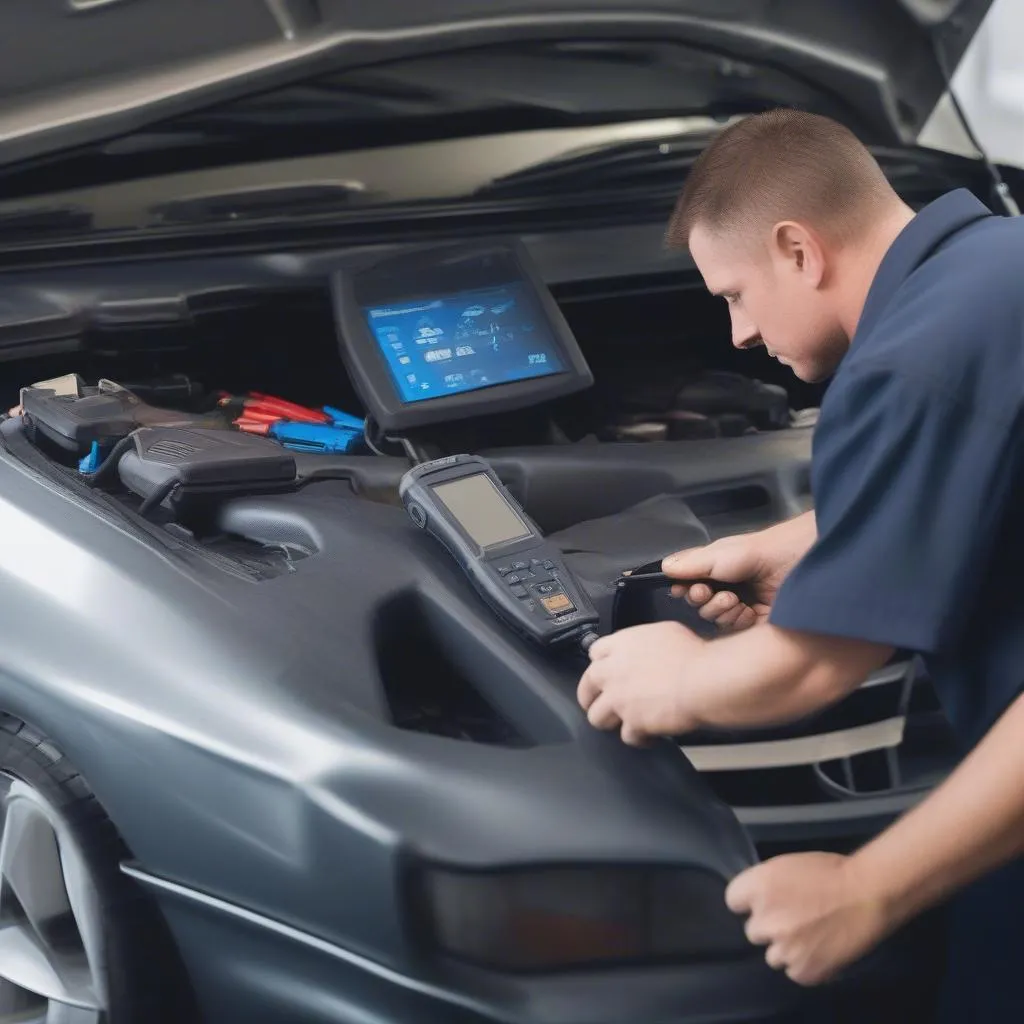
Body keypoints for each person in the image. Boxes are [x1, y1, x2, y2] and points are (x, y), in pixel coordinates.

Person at [576, 108, 1024, 1020]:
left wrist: (684, 678)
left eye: (734, 294)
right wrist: (808, 543)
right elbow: (992, 463)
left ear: (797, 250)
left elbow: (812, 667)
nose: (737, 335)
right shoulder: (997, 271)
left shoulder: (906, 365)